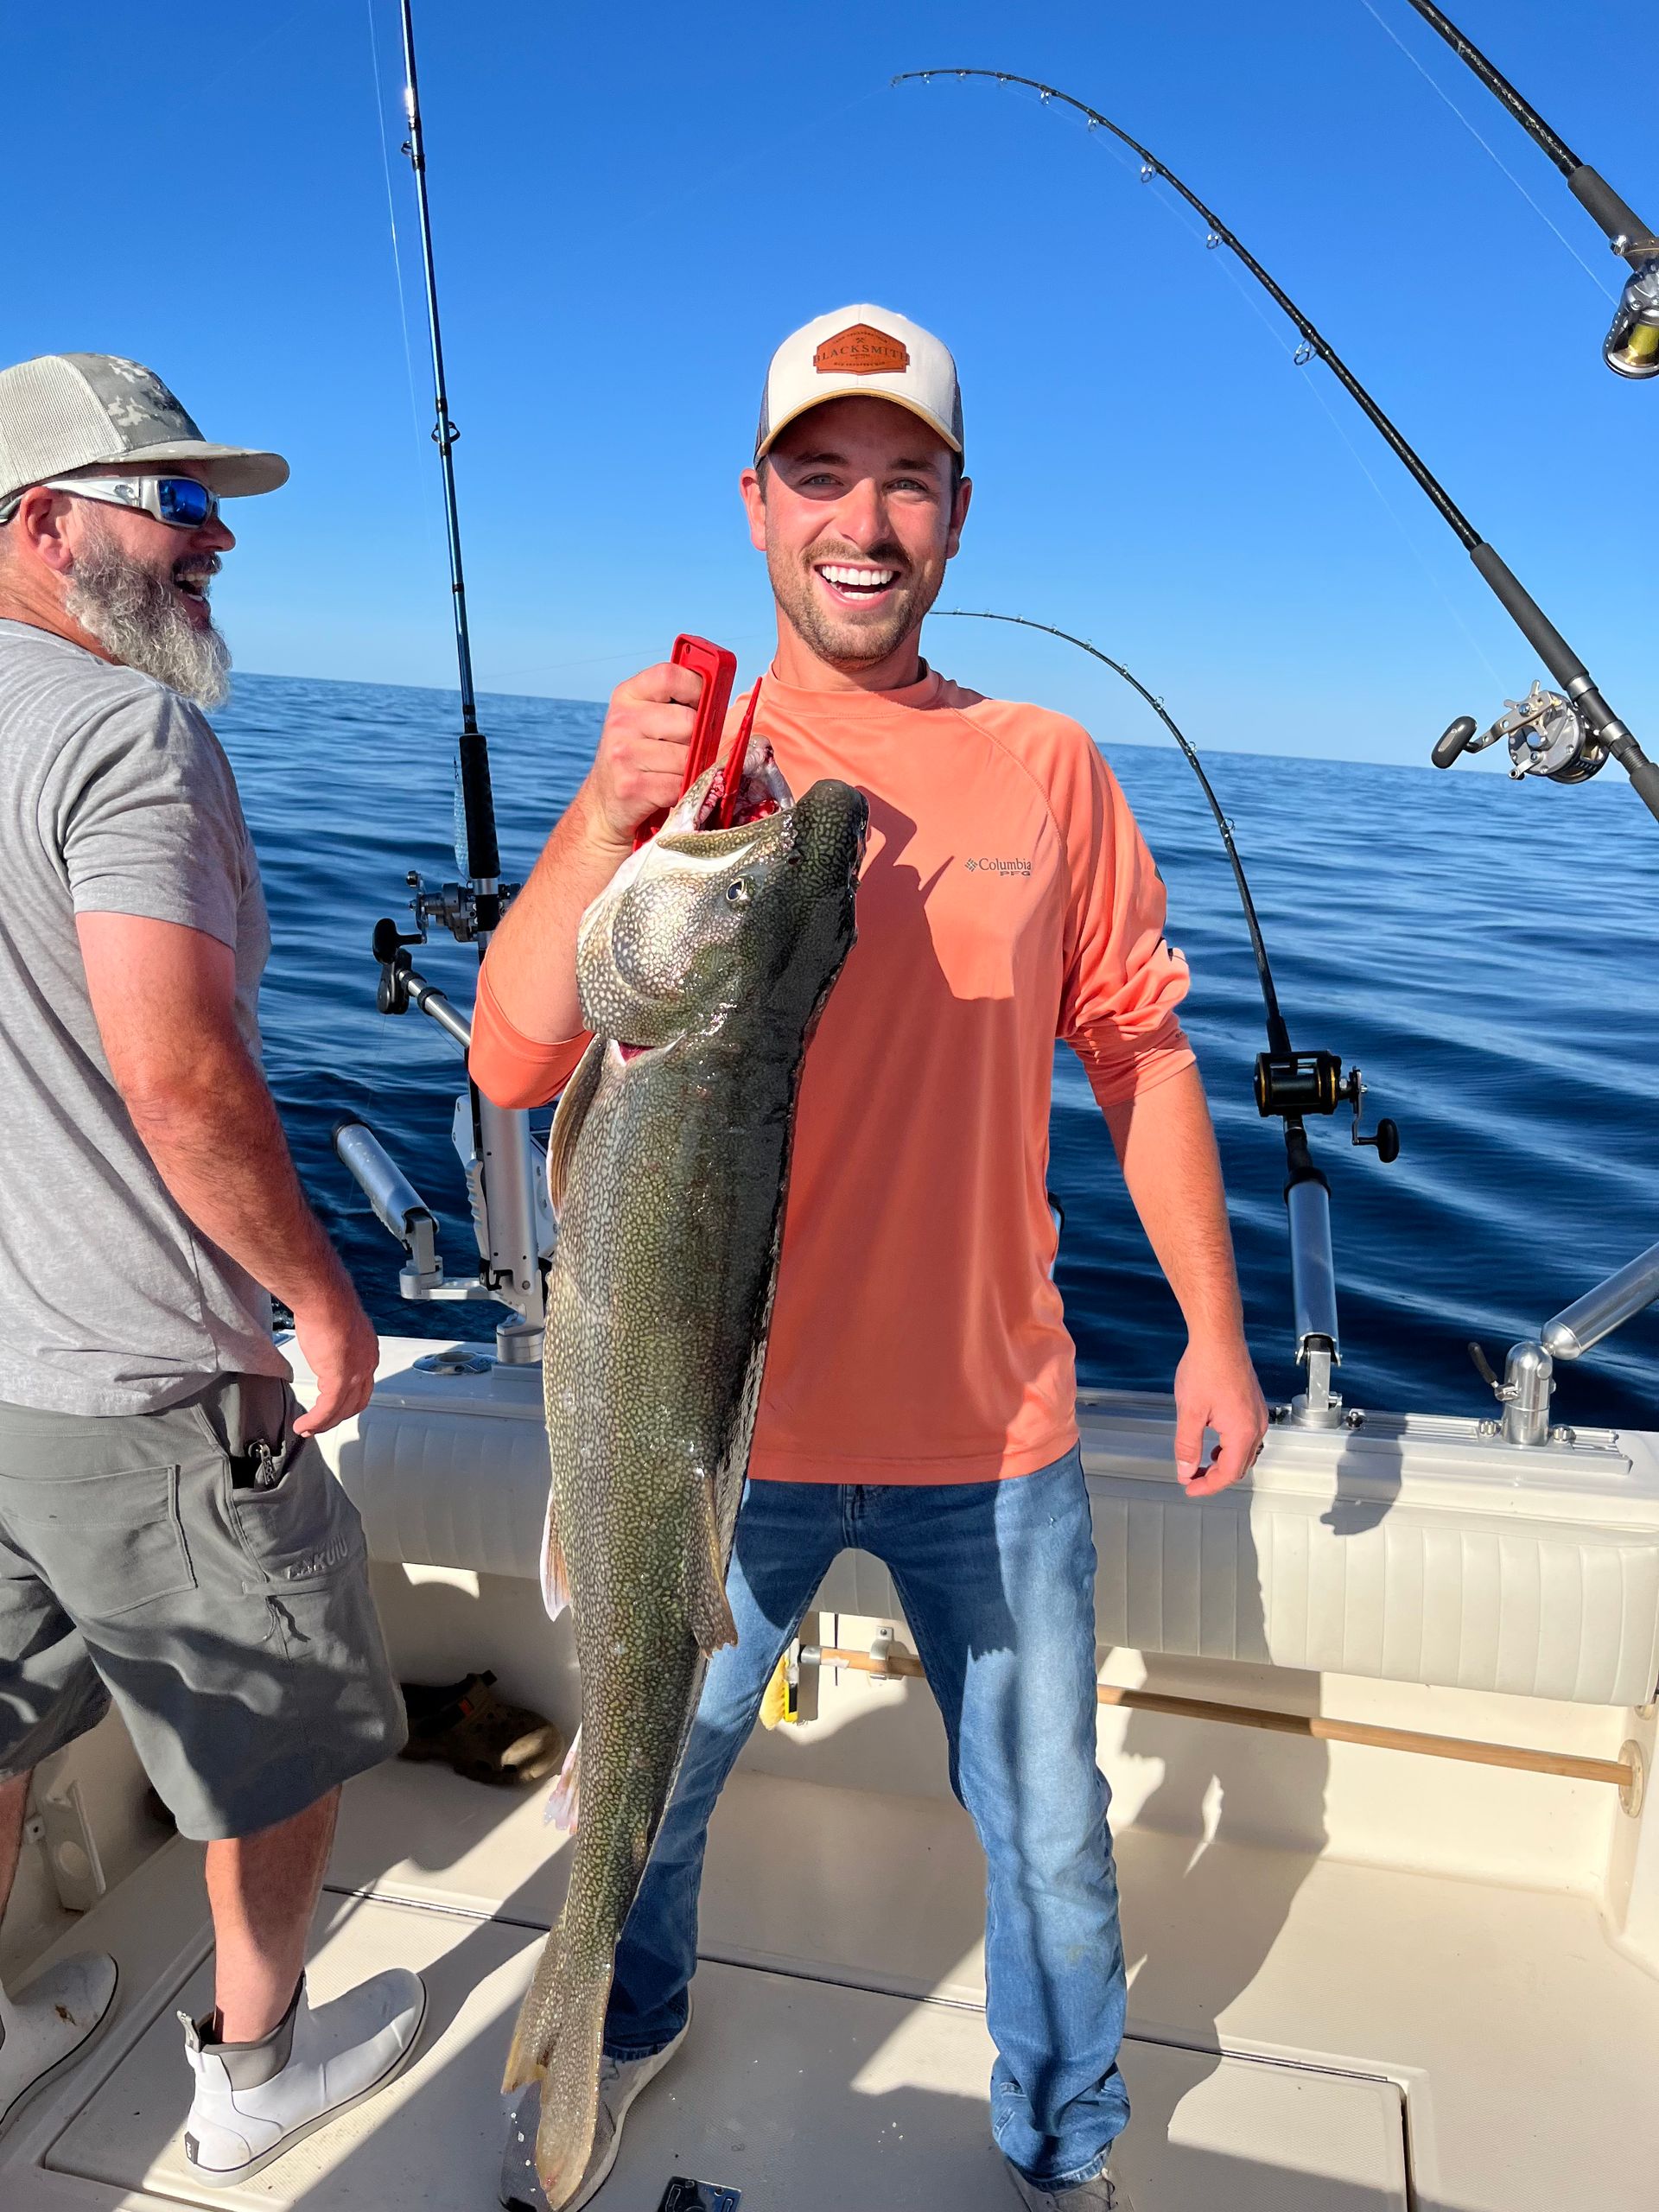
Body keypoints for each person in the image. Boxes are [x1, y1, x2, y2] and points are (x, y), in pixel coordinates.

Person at [473, 306, 1268, 2211]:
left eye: (905, 477)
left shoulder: (1049, 764)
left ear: (960, 515)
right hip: (704, 1435)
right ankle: (621, 2007)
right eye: (821, 475)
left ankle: (1068, 2143)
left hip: (991, 1424)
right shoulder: (698, 769)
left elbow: (1143, 1049)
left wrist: (1219, 1338)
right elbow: (516, 1055)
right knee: (650, 1797)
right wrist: (604, 810)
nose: (865, 517)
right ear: (756, 508)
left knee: (1058, 1833)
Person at [0, 354, 423, 2177]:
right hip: (143, 1379)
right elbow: (177, 1068)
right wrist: (322, 1298)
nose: (215, 536)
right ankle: (254, 2077)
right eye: (170, 503)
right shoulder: (123, 733)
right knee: (279, 1731)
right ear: (39, 524)